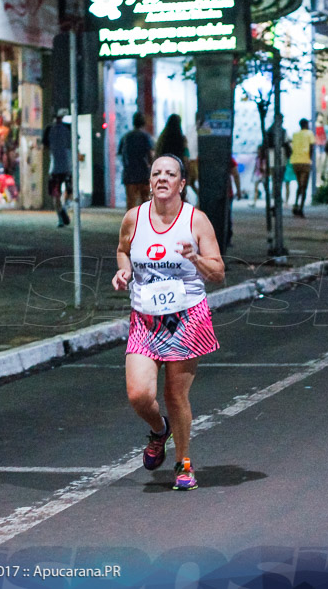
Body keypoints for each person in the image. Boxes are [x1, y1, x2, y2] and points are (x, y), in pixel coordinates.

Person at [111, 154, 224, 491]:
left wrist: (196, 258)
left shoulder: (196, 221)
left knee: (175, 395)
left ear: (182, 183)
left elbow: (218, 272)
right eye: (156, 173)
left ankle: (183, 462)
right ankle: (161, 430)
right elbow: (122, 250)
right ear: (149, 182)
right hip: (146, 318)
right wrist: (125, 270)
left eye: (170, 174)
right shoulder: (134, 218)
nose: (162, 178)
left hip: (187, 316)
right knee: (138, 394)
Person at [43, 109, 73, 227]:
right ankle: (64, 208)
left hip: (54, 167)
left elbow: (45, 147)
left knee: (55, 194)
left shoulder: (49, 130)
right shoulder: (68, 129)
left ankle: (60, 215)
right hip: (67, 167)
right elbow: (74, 143)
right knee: (69, 191)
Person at [118, 112, 153, 209]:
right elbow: (150, 154)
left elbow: (121, 154)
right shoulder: (146, 137)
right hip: (143, 173)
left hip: (129, 173)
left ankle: (131, 222)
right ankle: (145, 221)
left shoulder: (126, 137)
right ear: (143, 123)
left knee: (131, 201)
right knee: (145, 200)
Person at [290, 118, 315, 217]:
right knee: (303, 186)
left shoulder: (295, 134)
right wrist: (310, 159)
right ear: (306, 124)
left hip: (295, 161)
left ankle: (296, 204)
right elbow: (312, 147)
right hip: (305, 161)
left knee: (299, 184)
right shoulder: (309, 133)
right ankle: (300, 207)